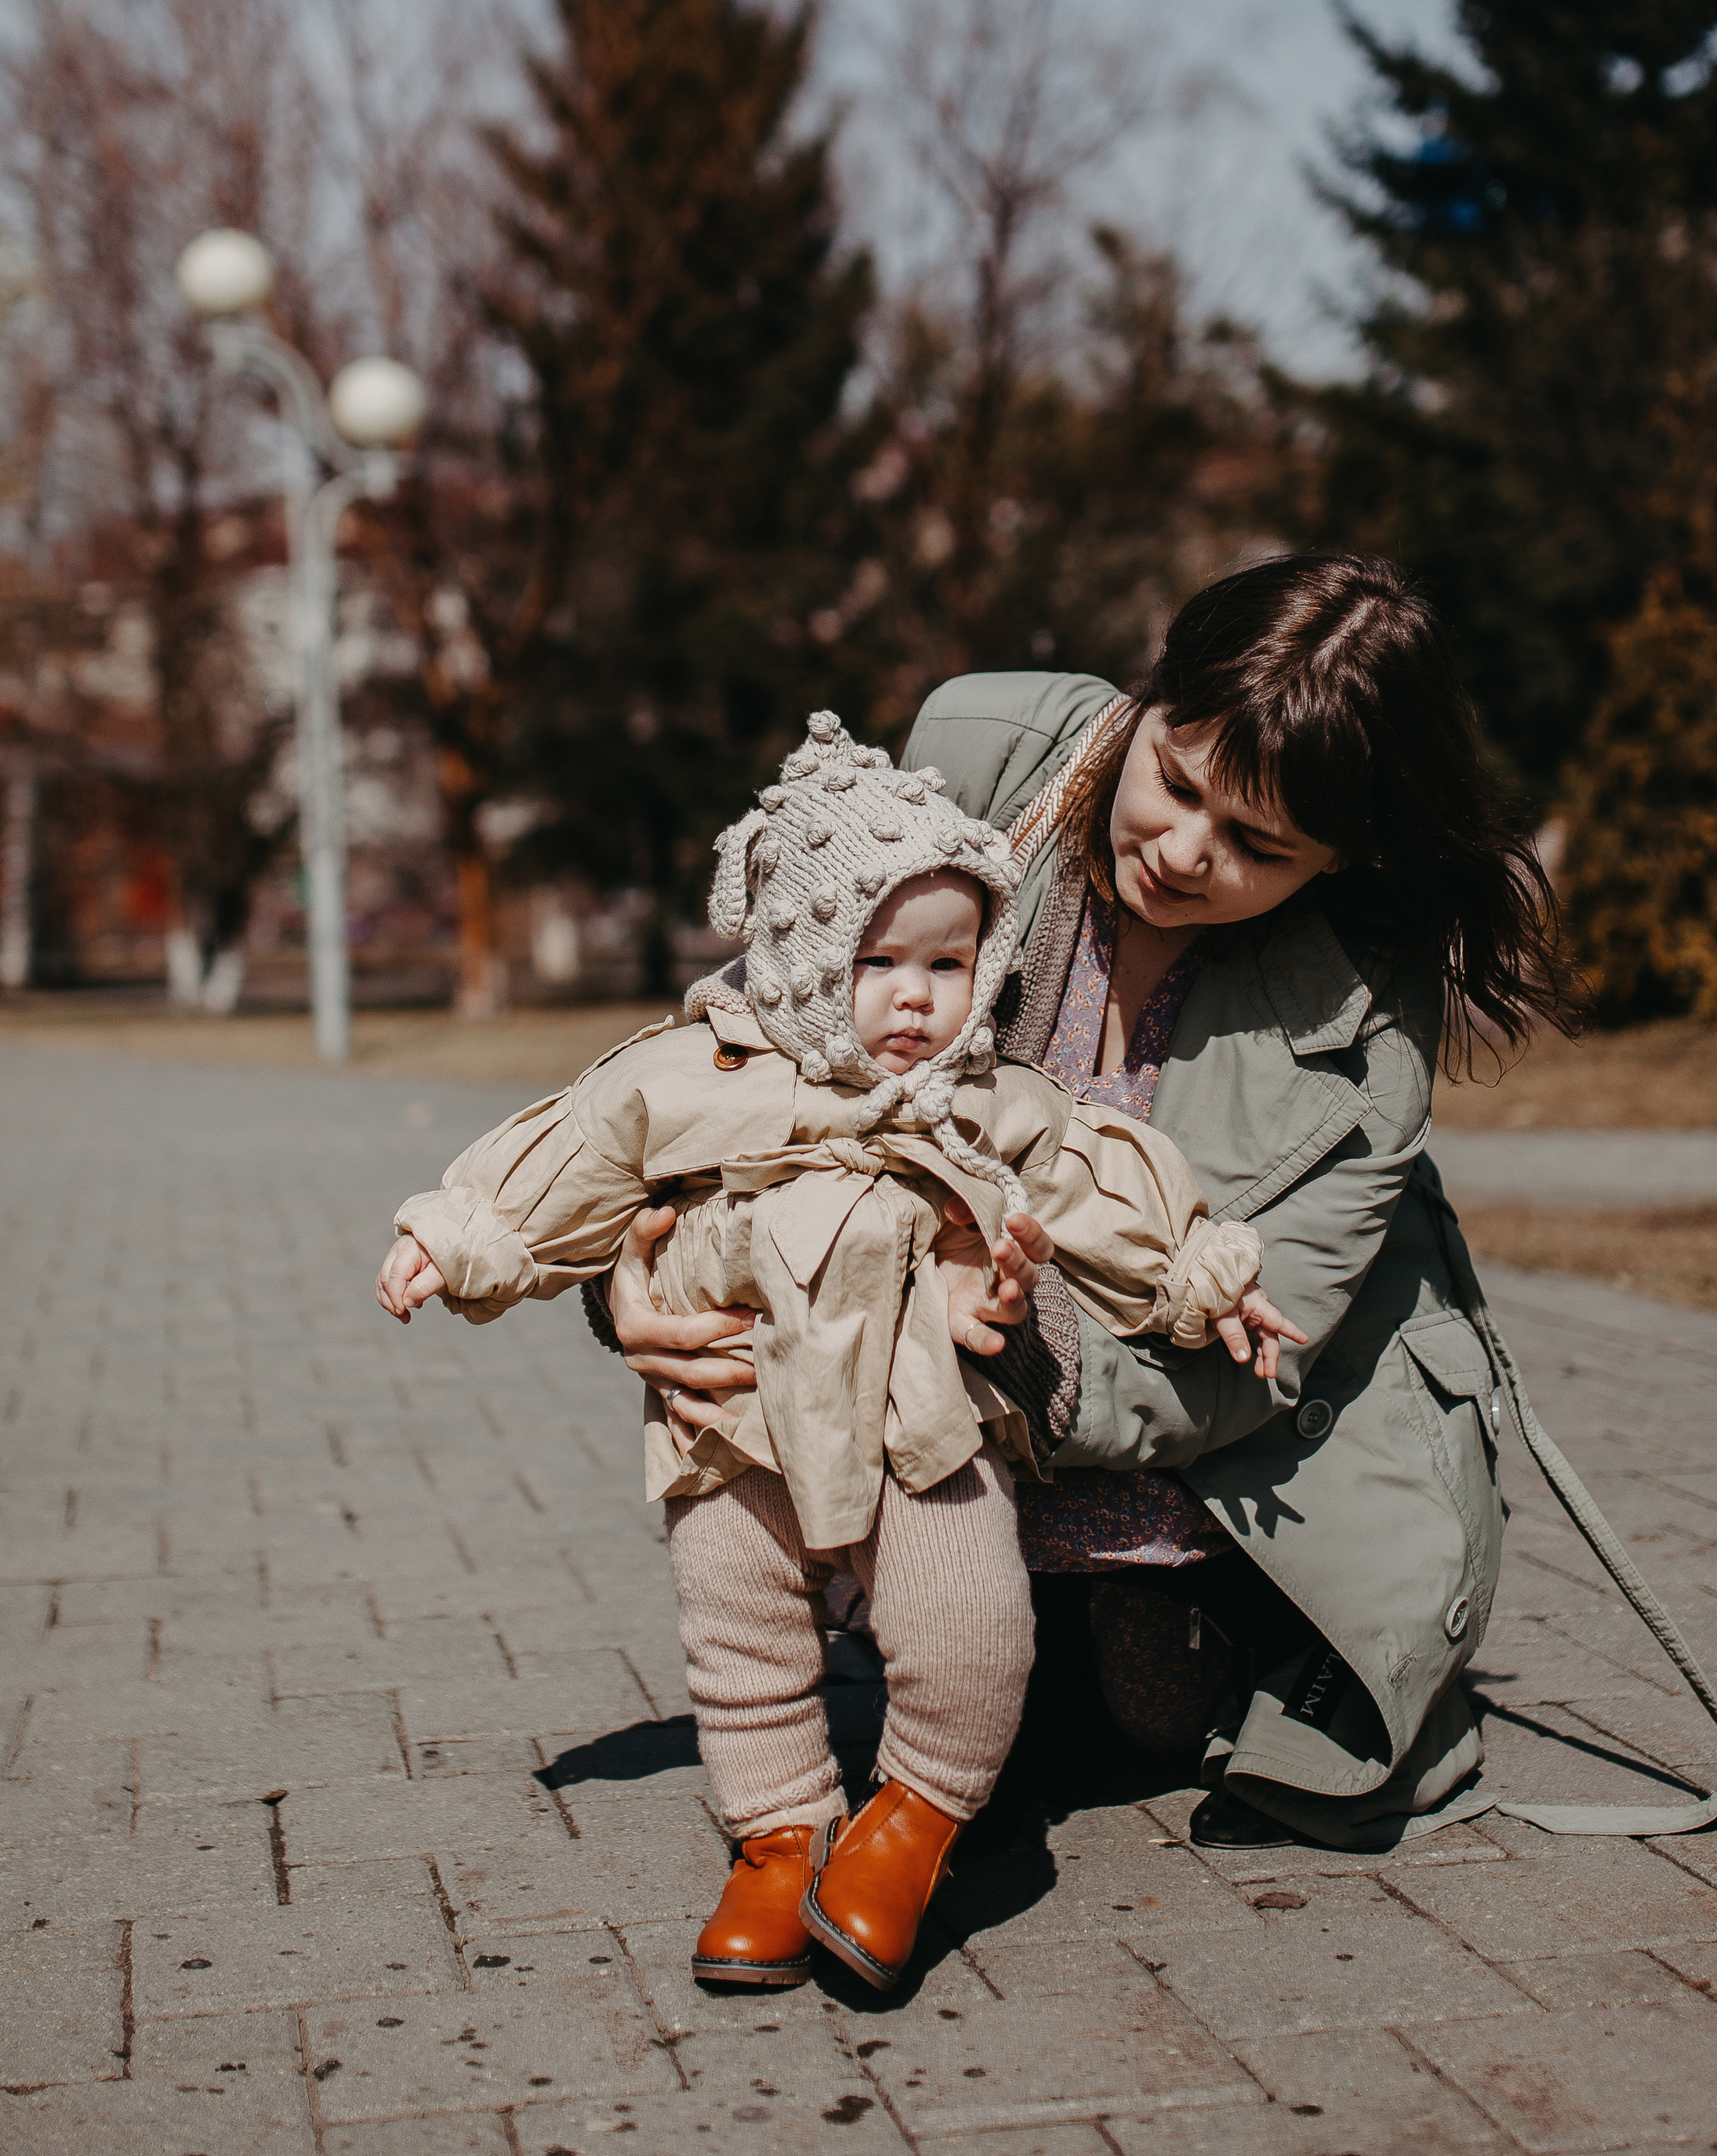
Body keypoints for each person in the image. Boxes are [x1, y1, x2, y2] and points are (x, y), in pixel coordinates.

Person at [604, 556, 1594, 1853]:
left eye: (1258, 845)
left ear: (1342, 858)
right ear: (1149, 693)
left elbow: (1245, 1368)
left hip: (1212, 1443)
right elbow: (758, 1047)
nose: (1186, 854)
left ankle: (1221, 1635)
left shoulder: (1367, 1001)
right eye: (1177, 781)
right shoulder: (974, 754)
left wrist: (1012, 1348)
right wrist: (642, 1271)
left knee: (1097, 1724)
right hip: (935, 1387)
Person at [376, 712, 1291, 1984]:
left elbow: (1104, 1181)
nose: (917, 1000)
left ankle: (914, 1813)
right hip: (735, 1411)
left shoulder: (985, 1099)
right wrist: (464, 1233)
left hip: (926, 1410)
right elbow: (582, 1152)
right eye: (878, 964)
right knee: (740, 1631)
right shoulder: (697, 1075)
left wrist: (1204, 1276)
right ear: (803, 957)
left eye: (950, 964)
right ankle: (775, 1835)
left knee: (971, 1623)